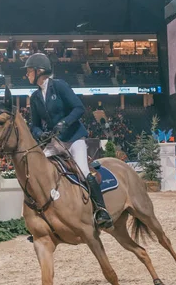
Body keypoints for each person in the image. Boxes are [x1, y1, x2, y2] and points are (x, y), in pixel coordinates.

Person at [25, 52, 113, 229]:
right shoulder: (34, 97)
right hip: (53, 142)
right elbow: (33, 125)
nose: (26, 75)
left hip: (73, 139)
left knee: (83, 171)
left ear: (39, 71)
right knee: (38, 173)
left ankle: (101, 211)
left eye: (29, 71)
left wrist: (64, 123)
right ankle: (41, 218)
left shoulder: (60, 86)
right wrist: (39, 134)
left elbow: (79, 108)